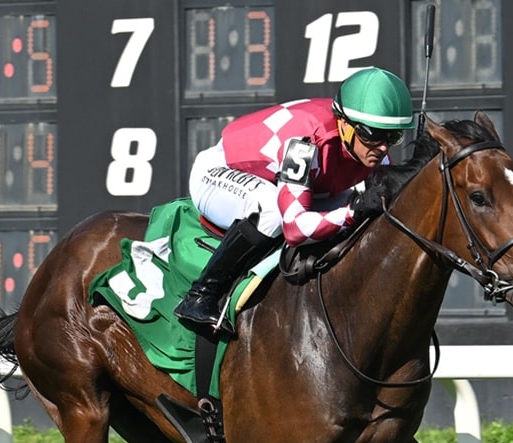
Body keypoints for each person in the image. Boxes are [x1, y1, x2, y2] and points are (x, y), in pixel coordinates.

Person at [175, 66, 414, 329]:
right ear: (345, 124)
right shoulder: (303, 144)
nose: (382, 147)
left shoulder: (371, 147)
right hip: (220, 172)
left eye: (393, 136)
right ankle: (201, 295)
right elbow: (294, 228)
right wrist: (352, 212)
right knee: (272, 211)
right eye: (373, 135)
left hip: (286, 181)